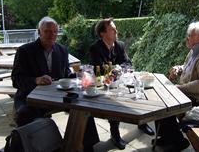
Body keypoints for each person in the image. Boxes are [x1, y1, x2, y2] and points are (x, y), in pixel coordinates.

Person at [12, 16, 99, 152]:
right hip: (31, 97)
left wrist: (78, 75)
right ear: (39, 32)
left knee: (84, 108)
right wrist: (36, 80)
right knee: (24, 114)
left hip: (57, 97)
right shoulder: (25, 51)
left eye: (55, 31)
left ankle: (88, 147)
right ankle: (40, 147)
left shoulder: (62, 50)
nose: (52, 35)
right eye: (47, 31)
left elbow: (64, 75)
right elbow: (16, 79)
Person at [154, 21, 199, 151]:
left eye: (190, 35)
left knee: (166, 103)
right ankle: (168, 137)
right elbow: (189, 67)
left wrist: (180, 88)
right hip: (189, 95)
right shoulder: (194, 51)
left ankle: (178, 141)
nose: (187, 37)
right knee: (162, 97)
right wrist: (179, 68)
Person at [89, 18, 154, 150]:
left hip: (123, 80)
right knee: (114, 101)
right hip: (105, 84)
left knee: (139, 90)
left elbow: (128, 63)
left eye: (115, 28)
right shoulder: (95, 48)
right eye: (112, 29)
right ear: (102, 33)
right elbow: (101, 69)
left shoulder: (120, 45)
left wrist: (118, 69)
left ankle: (142, 123)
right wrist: (117, 69)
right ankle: (115, 134)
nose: (116, 31)